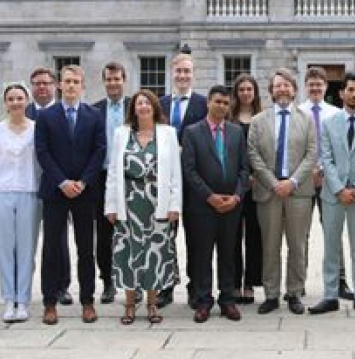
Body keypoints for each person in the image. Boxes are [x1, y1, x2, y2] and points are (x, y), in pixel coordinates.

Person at [35, 64, 106, 325]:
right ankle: (50, 302)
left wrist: (83, 182)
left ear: (82, 85)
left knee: (86, 248)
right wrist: (62, 181)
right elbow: (42, 152)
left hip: (85, 193)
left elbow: (99, 151)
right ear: (59, 85)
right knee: (52, 248)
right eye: (67, 81)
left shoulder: (94, 115)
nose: (72, 86)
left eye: (76, 81)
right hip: (55, 191)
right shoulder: (46, 116)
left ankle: (88, 301)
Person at [105, 89, 182, 324]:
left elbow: (175, 173)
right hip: (128, 202)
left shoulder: (168, 133)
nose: (143, 107)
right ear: (134, 108)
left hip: (157, 202)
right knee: (128, 252)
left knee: (155, 253)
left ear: (155, 107)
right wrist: (110, 205)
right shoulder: (121, 133)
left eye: (147, 103)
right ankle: (129, 304)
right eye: (139, 103)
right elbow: (113, 172)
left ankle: (152, 303)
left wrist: (174, 204)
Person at [308, 71, 355, 315]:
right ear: (342, 93)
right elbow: (325, 158)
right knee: (331, 247)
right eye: (350, 89)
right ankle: (330, 295)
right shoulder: (329, 123)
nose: (354, 94)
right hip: (333, 195)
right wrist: (339, 188)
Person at [247, 68, 317, 315]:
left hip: (298, 192)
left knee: (297, 246)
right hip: (269, 192)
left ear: (294, 89)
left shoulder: (306, 119)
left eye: (287, 85)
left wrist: (293, 181)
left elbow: (311, 154)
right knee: (270, 245)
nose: (283, 89)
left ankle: (295, 293)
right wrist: (273, 182)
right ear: (271, 91)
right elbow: (253, 155)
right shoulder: (258, 121)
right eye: (278, 85)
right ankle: (271, 294)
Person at [181, 85, 250, 322]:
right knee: (202, 255)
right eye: (217, 101)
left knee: (229, 254)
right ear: (208, 103)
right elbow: (189, 170)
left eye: (225, 102)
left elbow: (244, 168)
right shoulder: (191, 132)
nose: (222, 106)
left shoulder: (236, 131)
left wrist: (237, 196)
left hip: (232, 206)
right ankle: (203, 300)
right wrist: (209, 196)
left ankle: (227, 300)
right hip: (202, 207)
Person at [0, 83, 41, 323]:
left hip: (29, 191)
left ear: (26, 101)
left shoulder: (36, 129)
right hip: (1, 192)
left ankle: (24, 299)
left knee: (27, 248)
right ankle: (9, 299)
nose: (16, 102)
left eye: (20, 98)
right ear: (5, 103)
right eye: (11, 98)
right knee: (4, 248)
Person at [157, 51, 206, 307]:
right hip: (166, 181)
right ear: (172, 73)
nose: (183, 75)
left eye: (187, 71)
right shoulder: (161, 104)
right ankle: (166, 286)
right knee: (166, 235)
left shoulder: (203, 103)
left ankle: (195, 287)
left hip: (194, 180)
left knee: (196, 237)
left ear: (192, 74)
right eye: (178, 71)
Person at [299, 66, 352, 301]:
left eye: (319, 84)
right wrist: (308, 170)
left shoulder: (335, 113)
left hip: (330, 181)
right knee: (300, 234)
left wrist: (325, 170)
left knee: (333, 231)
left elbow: (341, 149)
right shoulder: (297, 112)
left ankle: (340, 281)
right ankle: (297, 281)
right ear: (305, 86)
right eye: (311, 84)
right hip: (303, 181)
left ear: (326, 86)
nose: (315, 88)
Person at [25, 66, 73, 307]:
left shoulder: (64, 112)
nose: (41, 88)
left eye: (45, 83)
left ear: (55, 86)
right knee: (29, 239)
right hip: (27, 184)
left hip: (59, 184)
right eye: (37, 83)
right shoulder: (22, 111)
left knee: (58, 238)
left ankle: (62, 285)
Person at [93, 61, 129, 304]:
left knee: (129, 231)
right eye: (109, 79)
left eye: (117, 79)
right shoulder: (94, 111)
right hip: (102, 177)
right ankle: (108, 281)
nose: (113, 83)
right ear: (104, 81)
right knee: (104, 232)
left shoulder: (135, 108)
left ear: (124, 81)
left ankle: (131, 280)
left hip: (130, 177)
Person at [231, 73, 264, 305]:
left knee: (255, 235)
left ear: (255, 93)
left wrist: (256, 176)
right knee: (232, 235)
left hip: (257, 185)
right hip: (233, 185)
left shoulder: (262, 118)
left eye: (249, 89)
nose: (245, 93)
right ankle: (233, 282)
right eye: (241, 89)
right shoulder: (230, 118)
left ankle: (250, 283)